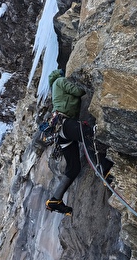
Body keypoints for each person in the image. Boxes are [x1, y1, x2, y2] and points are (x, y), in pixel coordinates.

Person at [45, 69, 113, 215]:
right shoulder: (60, 81)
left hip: (60, 131)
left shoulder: (55, 88)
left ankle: (55, 200)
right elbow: (77, 91)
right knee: (87, 133)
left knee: (74, 167)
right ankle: (103, 168)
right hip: (64, 123)